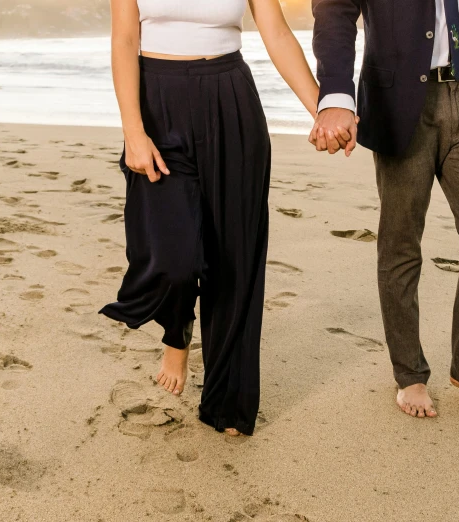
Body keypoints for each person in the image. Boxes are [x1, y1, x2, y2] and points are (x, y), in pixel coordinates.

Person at [100, 0, 328, 436]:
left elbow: (276, 33)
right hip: (156, 103)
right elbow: (125, 39)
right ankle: (176, 331)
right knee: (174, 261)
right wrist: (133, 130)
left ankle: (228, 402)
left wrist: (322, 107)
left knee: (234, 260)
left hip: (231, 100)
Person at [310, 0, 459, 417]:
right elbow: (334, 11)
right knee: (400, 241)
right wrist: (336, 96)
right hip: (399, 100)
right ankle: (410, 374)